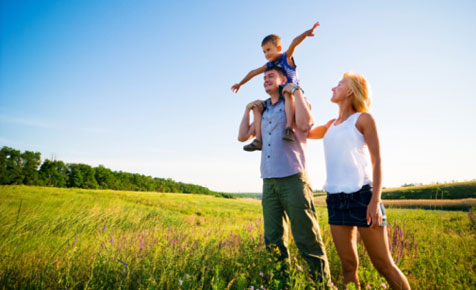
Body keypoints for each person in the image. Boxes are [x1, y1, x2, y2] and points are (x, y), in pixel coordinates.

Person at [308, 72, 411, 290]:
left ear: (350, 91)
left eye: (338, 84)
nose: (332, 88)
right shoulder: (330, 125)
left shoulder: (364, 119)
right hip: (335, 200)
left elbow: (377, 161)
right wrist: (296, 96)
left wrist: (375, 202)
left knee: (383, 264)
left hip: (363, 197)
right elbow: (303, 132)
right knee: (348, 266)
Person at [238, 65, 331, 285]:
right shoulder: (264, 110)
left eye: (270, 76)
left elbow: (307, 124)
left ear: (283, 80)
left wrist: (296, 90)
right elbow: (242, 136)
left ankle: (322, 285)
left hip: (293, 178)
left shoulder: (293, 101)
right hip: (268, 181)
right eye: (263, 78)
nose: (265, 80)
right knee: (273, 240)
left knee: (307, 237)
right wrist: (248, 109)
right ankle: (282, 284)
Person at [232, 22, 320, 152]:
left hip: (291, 91)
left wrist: (306, 33)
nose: (266, 54)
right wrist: (240, 83)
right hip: (279, 95)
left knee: (286, 92)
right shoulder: (269, 65)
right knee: (257, 107)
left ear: (278, 48)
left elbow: (294, 43)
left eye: (268, 50)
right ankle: (258, 140)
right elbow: (253, 72)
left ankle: (289, 128)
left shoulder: (286, 57)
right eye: (264, 52)